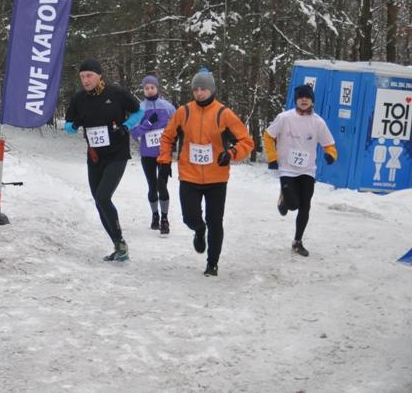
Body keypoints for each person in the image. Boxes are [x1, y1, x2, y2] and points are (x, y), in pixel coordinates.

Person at [157, 69, 254, 276]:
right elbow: (167, 137)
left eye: (203, 89)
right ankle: (199, 229)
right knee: (189, 218)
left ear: (212, 90)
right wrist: (164, 160)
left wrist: (231, 153)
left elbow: (246, 141)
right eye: (196, 89)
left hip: (216, 178)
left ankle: (212, 263)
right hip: (189, 176)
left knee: (215, 221)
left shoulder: (223, 113)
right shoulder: (184, 112)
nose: (199, 93)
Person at [65, 59, 143, 262]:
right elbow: (68, 126)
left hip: (117, 154)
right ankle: (118, 245)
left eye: (89, 75)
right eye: (82, 77)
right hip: (95, 156)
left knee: (102, 197)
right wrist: (75, 124)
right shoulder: (79, 99)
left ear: (99, 76)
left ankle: (121, 244)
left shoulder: (116, 93)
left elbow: (139, 111)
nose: (86, 80)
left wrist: (126, 126)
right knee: (99, 202)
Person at [263, 84, 337, 257]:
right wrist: (272, 157)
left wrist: (331, 155)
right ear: (296, 100)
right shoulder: (284, 118)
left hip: (307, 170)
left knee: (305, 206)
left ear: (312, 101)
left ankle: (297, 241)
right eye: (301, 97)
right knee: (293, 205)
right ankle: (284, 199)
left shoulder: (318, 122)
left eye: (307, 97)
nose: (304, 100)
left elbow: (329, 144)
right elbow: (268, 135)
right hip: (287, 169)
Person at [130, 75, 176, 234]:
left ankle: (165, 219)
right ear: (143, 90)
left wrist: (172, 138)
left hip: (164, 154)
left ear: (157, 88)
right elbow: (134, 132)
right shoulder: (140, 108)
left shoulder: (168, 107)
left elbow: (177, 126)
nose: (149, 90)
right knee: (152, 186)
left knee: (163, 186)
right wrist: (148, 123)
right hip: (147, 154)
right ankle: (155, 215)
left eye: (152, 87)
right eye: (146, 88)